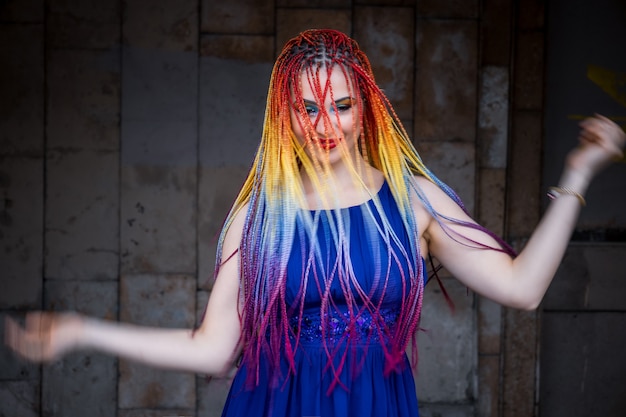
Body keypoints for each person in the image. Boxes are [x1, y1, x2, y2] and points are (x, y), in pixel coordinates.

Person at [4, 29, 625, 417]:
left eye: (341, 105)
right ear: (286, 116)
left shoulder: (412, 201)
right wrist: (83, 331)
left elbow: (523, 288)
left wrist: (577, 175)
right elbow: (214, 350)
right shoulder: (257, 218)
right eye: (307, 107)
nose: (326, 124)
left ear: (366, 107)